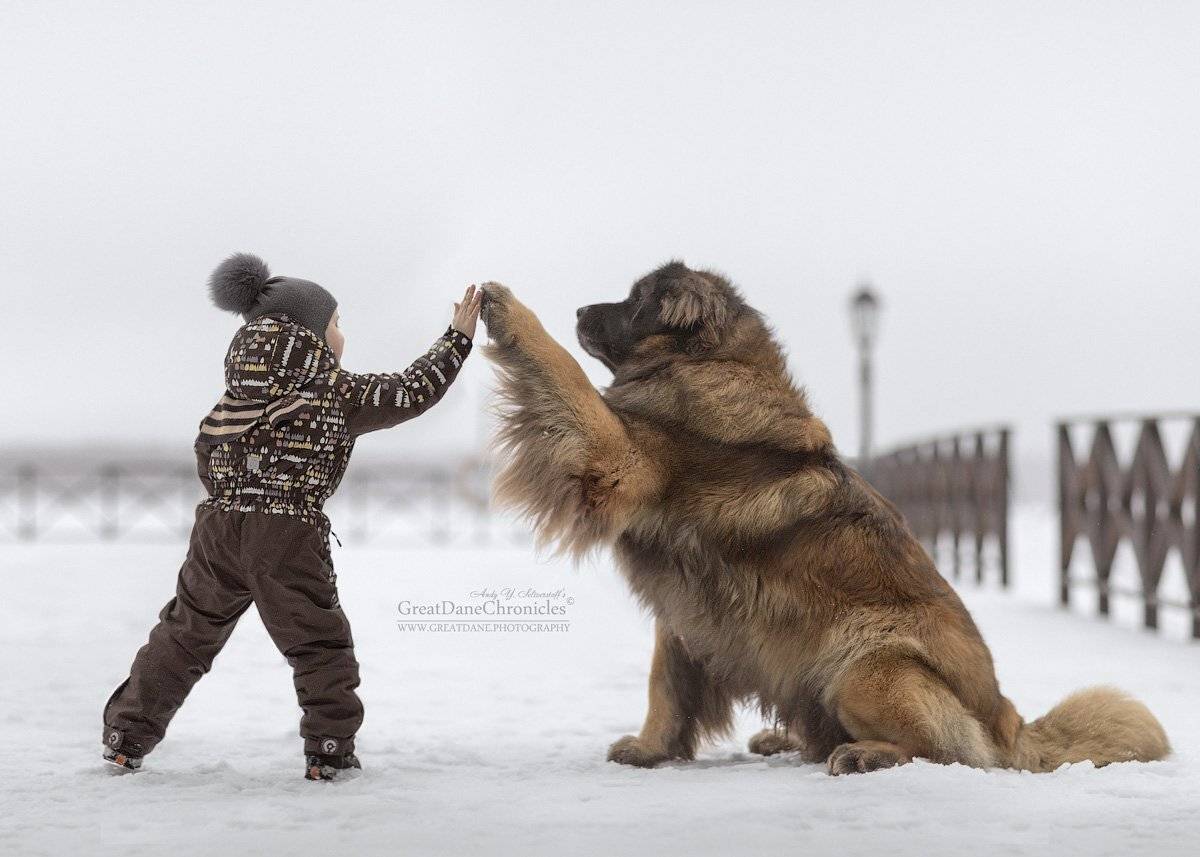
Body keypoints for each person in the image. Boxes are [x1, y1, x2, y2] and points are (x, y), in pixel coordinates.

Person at [100, 253, 481, 780]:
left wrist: (237, 498)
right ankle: (329, 747)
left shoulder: (231, 398)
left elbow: (206, 453)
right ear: (310, 336)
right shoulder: (331, 392)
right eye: (337, 323)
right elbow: (411, 391)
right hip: (287, 534)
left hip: (216, 531)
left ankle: (126, 734)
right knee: (317, 642)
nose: (342, 334)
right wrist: (456, 339)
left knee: (184, 635)